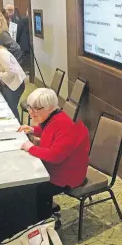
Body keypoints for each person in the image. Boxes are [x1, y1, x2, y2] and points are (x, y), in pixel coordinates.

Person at [18, 88, 90, 221]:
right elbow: (48, 130)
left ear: (49, 108)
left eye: (35, 109)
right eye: (30, 108)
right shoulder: (53, 117)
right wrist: (33, 129)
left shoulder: (64, 125)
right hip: (57, 167)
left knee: (35, 188)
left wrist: (31, 148)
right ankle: (46, 208)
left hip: (68, 175)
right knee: (30, 183)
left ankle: (45, 220)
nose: (31, 112)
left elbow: (55, 156)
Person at [16, 9, 31, 73]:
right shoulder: (30, 20)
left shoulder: (22, 20)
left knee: (25, 57)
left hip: (24, 43)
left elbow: (18, 32)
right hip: (29, 43)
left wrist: (16, 41)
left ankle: (26, 69)